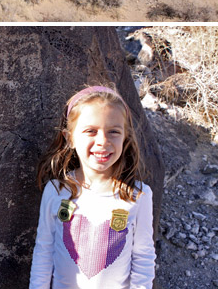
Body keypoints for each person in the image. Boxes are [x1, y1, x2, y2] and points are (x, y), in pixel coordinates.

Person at [29, 85, 156, 289]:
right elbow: (44, 251)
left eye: (113, 131)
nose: (102, 142)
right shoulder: (56, 191)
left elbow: (143, 259)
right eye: (91, 131)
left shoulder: (138, 196)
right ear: (70, 138)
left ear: (125, 137)